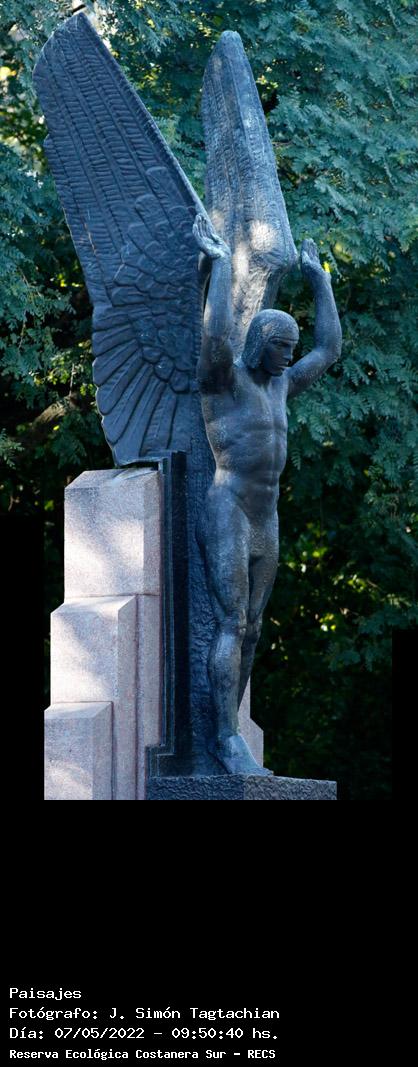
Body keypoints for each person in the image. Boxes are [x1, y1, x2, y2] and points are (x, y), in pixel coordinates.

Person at [193, 214, 342, 775]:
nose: (287, 356)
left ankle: (228, 730)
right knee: (233, 623)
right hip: (228, 507)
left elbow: (329, 349)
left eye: (290, 348)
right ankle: (226, 740)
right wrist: (220, 266)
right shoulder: (224, 380)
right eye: (280, 346)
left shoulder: (283, 383)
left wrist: (319, 280)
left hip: (266, 516)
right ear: (259, 343)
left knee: (253, 628)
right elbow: (214, 338)